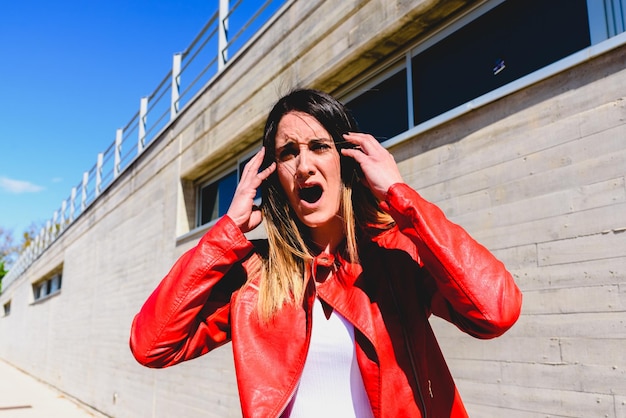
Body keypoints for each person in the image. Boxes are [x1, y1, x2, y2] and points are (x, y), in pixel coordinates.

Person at [130, 89, 522, 417]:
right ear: (276, 175)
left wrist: (400, 198)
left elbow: (495, 311)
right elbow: (151, 346)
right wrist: (225, 232)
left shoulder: (394, 254)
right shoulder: (255, 275)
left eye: (319, 146)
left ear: (346, 161)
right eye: (288, 153)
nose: (303, 165)